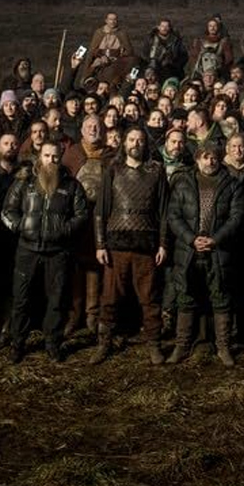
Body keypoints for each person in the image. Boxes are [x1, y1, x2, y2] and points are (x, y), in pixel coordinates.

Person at [1, 139, 91, 363]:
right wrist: (21, 226)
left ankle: (52, 343)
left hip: (57, 252)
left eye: (55, 156)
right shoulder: (25, 182)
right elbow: (8, 210)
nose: (51, 160)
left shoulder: (71, 185)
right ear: (39, 157)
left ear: (60, 158)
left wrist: (63, 230)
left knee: (57, 300)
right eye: (47, 155)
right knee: (21, 299)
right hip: (27, 250)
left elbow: (82, 215)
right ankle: (18, 343)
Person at [163, 140, 244, 366]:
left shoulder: (232, 185)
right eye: (205, 157)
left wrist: (215, 239)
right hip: (188, 251)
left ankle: (223, 347)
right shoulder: (183, 183)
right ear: (197, 159)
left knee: (221, 298)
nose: (210, 161)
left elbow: (237, 217)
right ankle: (182, 346)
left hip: (219, 252)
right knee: (186, 298)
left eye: (214, 157)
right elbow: (173, 216)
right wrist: (191, 239)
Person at [94, 127, 169, 364]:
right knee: (109, 297)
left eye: (140, 140)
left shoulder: (156, 171)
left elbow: (164, 212)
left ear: (146, 144)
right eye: (132, 139)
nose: (136, 143)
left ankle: (154, 344)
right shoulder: (113, 169)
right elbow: (101, 210)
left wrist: (163, 244)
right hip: (116, 243)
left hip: (146, 243)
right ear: (124, 143)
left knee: (150, 298)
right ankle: (104, 343)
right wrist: (100, 244)